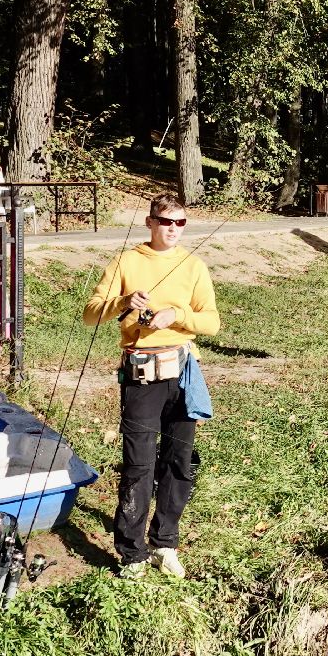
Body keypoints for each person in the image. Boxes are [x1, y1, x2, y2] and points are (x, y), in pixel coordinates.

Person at [83, 194, 219, 579]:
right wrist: (123, 302)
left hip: (183, 372)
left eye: (180, 223)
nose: (173, 229)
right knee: (138, 464)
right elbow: (90, 314)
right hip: (141, 375)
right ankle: (132, 553)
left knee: (179, 461)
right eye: (165, 221)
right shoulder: (126, 261)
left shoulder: (193, 266)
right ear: (150, 222)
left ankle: (165, 543)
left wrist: (176, 314)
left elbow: (212, 323)